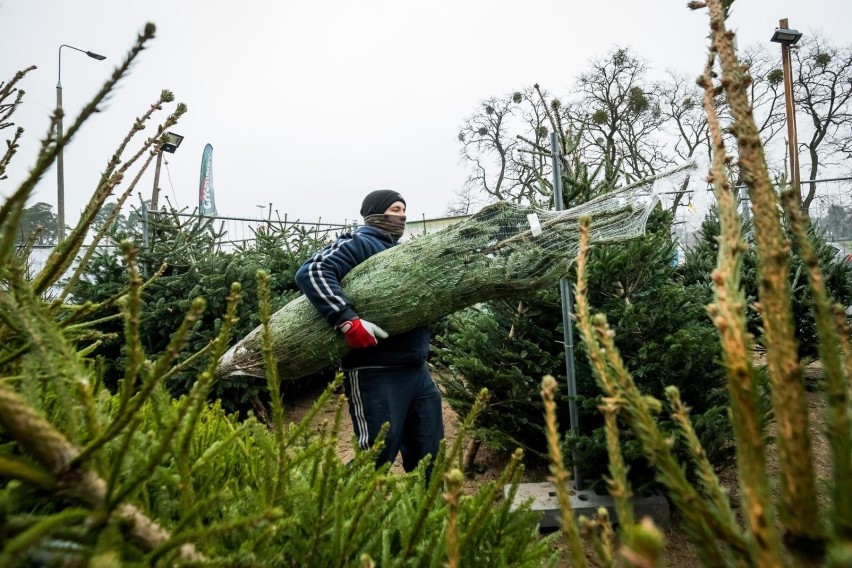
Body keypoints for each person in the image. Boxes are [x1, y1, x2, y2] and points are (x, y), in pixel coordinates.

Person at [295, 189, 444, 480]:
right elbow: (311, 271)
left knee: (429, 454)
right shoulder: (359, 243)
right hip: (375, 371)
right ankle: (330, 515)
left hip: (417, 369)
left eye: (404, 210)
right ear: (374, 212)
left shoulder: (400, 252)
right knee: (377, 454)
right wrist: (347, 320)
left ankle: (427, 517)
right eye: (395, 209)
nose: (401, 216)